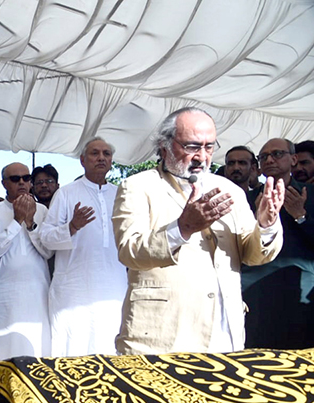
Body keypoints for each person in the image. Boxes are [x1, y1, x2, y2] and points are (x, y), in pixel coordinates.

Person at [112, 108, 285, 355]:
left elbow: (253, 255)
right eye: (192, 147)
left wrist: (267, 225)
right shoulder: (138, 186)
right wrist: (183, 228)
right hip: (162, 336)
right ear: (164, 146)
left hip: (225, 333)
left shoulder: (230, 190)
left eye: (209, 147)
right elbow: (130, 251)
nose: (201, 157)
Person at [40, 138, 127, 356]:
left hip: (114, 286)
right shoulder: (66, 194)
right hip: (74, 288)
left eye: (106, 154)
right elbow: (46, 238)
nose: (101, 158)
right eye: (95, 153)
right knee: (73, 345)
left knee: (111, 343)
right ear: (82, 160)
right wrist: (71, 227)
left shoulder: (122, 195)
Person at [243, 138, 314, 349]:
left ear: (293, 159)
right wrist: (257, 217)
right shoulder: (246, 199)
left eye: (277, 154)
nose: (270, 160)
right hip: (254, 289)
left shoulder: (310, 195)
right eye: (263, 156)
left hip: (298, 288)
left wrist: (301, 216)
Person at [0, 162, 52, 363]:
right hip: (4, 293)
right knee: (2, 352)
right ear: (4, 183)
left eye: (26, 178)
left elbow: (48, 252)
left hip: (37, 292)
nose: (22, 183)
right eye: (16, 179)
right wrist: (16, 221)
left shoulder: (42, 211)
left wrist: (31, 223)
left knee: (38, 350)